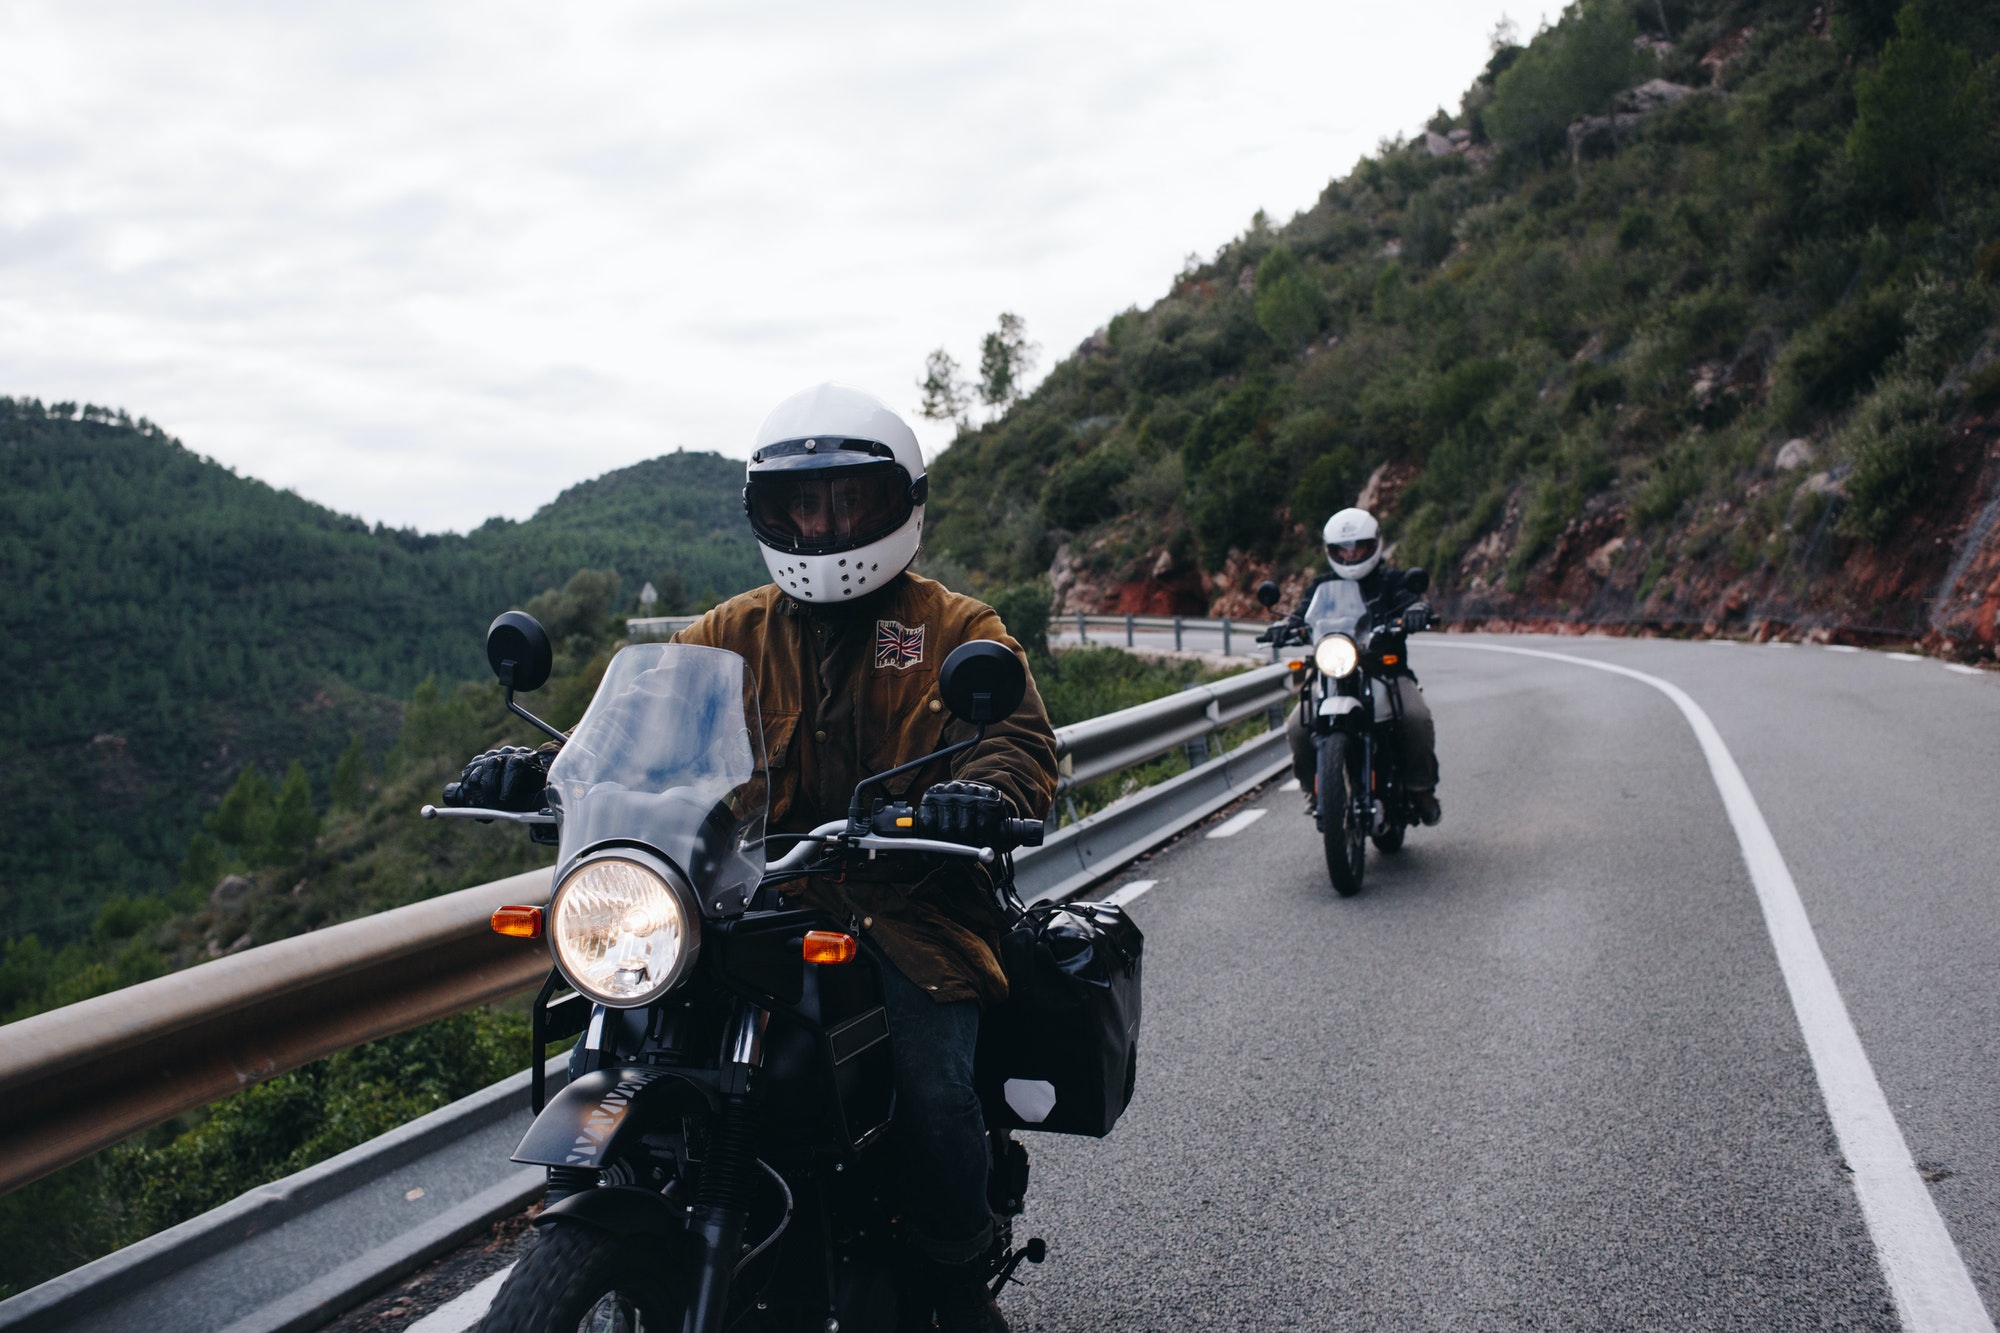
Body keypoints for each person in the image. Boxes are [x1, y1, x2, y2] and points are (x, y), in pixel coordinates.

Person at [689, 383, 1057, 1332]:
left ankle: (952, 1268)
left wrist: (989, 790)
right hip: (753, 907)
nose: (824, 523)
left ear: (899, 502)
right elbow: (655, 728)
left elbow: (1018, 742)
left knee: (935, 1086)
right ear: (767, 513)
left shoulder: (954, 627)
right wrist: (553, 767)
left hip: (913, 909)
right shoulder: (730, 634)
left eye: (847, 499)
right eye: (800, 504)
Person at [1284, 506, 1441, 826]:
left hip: (1386, 672)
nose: (1351, 554)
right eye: (1343, 549)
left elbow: (1411, 599)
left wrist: (1416, 610)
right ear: (1331, 551)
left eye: (1359, 547)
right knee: (1298, 727)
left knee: (1416, 717)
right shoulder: (1321, 588)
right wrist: (1286, 626)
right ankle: (1315, 792)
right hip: (1333, 674)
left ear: (1375, 545)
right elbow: (1302, 614)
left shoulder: (1391, 581)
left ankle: (1421, 789)